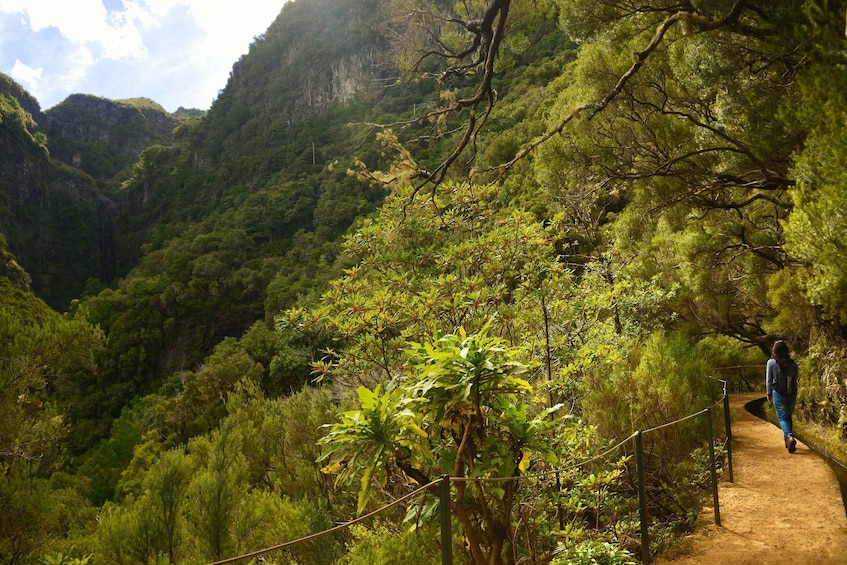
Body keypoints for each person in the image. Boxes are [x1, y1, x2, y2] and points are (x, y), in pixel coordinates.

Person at [766, 340, 799, 453]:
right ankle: (788, 440)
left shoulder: (771, 362)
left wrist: (769, 393)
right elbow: (796, 378)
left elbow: (769, 380)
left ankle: (789, 436)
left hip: (778, 393)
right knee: (788, 415)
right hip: (792, 393)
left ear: (774, 350)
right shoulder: (793, 363)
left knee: (783, 417)